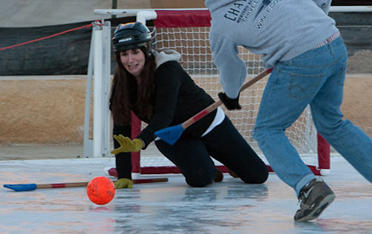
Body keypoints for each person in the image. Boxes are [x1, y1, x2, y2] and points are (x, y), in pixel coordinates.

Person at [183, 0, 372, 222]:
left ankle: (309, 189)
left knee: (267, 130)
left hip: (300, 62)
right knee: (332, 123)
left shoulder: (221, 23)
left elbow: (231, 66)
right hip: (333, 43)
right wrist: (310, 30)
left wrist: (231, 95)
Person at [109, 21, 268, 189]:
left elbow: (164, 114)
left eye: (135, 52)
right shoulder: (122, 83)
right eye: (124, 54)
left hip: (209, 125)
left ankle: (228, 161)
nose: (130, 59)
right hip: (173, 136)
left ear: (146, 50)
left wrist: (141, 140)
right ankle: (206, 166)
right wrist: (124, 175)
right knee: (201, 179)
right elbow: (121, 127)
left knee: (257, 175)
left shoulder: (167, 70)